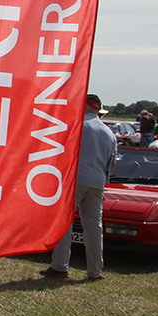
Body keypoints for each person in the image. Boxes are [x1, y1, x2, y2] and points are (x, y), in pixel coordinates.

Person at [42, 93, 116, 281]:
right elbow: (112, 163)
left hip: (75, 179)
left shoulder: (76, 125)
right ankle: (95, 270)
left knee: (65, 223)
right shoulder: (109, 133)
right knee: (94, 226)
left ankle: (60, 265)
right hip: (98, 181)